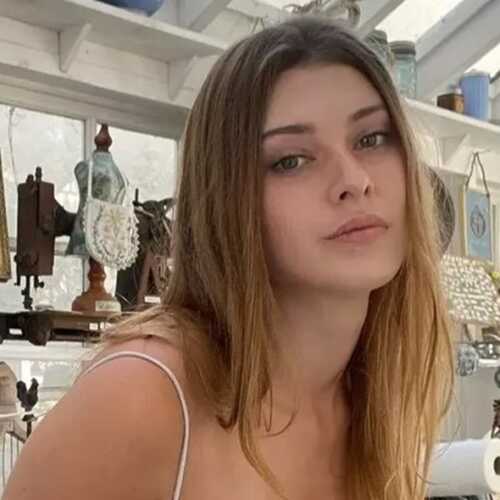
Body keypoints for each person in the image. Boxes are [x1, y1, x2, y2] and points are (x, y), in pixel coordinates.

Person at [3, 16, 453, 500]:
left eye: (371, 139)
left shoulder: (382, 398)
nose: (354, 180)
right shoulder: (142, 397)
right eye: (291, 161)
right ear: (227, 200)